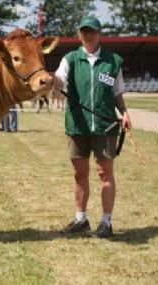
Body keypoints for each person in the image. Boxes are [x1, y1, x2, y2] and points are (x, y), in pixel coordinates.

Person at [55, 16, 132, 238]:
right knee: (79, 174)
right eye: (84, 32)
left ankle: (106, 222)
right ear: (79, 35)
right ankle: (81, 219)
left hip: (105, 126)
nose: (88, 35)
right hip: (77, 126)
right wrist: (54, 83)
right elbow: (60, 78)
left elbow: (117, 93)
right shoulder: (70, 59)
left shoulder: (113, 61)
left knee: (104, 173)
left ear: (99, 34)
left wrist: (124, 113)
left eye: (92, 31)